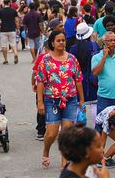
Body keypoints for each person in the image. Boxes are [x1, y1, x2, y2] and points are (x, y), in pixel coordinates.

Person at [36, 30, 85, 169]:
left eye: (63, 40)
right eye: (58, 40)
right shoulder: (45, 59)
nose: (61, 43)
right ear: (52, 42)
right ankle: (46, 150)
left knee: (66, 133)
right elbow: (40, 81)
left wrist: (81, 99)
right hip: (51, 101)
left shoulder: (72, 59)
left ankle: (65, 161)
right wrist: (40, 103)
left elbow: (78, 80)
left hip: (70, 99)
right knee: (51, 133)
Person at [69, 22, 100, 103]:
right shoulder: (94, 46)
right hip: (92, 79)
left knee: (80, 103)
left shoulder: (73, 48)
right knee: (94, 103)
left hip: (78, 80)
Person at [0, 0, 20, 65]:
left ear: (3, 3)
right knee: (13, 43)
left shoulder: (0, 11)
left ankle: (6, 60)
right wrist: (18, 28)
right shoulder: (13, 11)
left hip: (3, 30)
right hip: (12, 29)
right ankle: (15, 53)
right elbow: (17, 20)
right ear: (9, 3)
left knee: (4, 45)